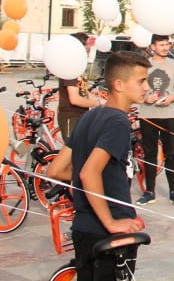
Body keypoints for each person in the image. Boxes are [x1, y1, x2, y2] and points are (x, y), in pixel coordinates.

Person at [45, 51, 150, 281]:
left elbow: (55, 170)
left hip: (83, 228)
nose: (147, 87)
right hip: (107, 231)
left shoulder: (90, 117)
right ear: (119, 84)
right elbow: (88, 172)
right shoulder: (118, 122)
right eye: (141, 81)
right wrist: (110, 222)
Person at [135, 34, 174, 206]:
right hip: (148, 115)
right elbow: (135, 90)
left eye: (167, 44)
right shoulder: (144, 65)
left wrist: (172, 99)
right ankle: (150, 191)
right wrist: (144, 99)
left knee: (171, 153)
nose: (165, 47)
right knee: (149, 154)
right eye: (161, 44)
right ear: (153, 46)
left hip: (170, 115)